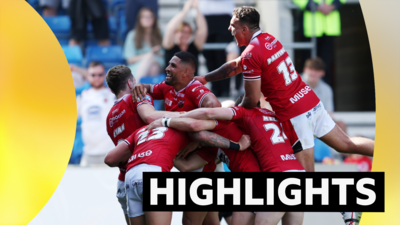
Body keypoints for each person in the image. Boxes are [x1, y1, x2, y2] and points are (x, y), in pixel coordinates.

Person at [194, 6, 374, 172]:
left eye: (232, 25)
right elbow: (236, 65)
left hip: (295, 115)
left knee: (305, 176)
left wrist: (237, 115)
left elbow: (251, 98)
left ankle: (341, 208)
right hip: (309, 100)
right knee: (347, 144)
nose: (229, 29)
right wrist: (205, 78)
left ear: (244, 30)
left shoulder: (251, 53)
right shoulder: (269, 39)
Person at [149, 96, 305, 225]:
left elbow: (195, 125)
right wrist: (163, 154)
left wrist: (164, 121)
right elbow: (185, 166)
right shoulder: (214, 145)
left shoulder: (227, 125)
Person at [132, 51, 221, 225]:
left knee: (189, 221)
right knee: (210, 221)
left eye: (173, 65)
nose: (167, 68)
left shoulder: (195, 89)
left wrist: (198, 140)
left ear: (186, 73)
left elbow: (215, 107)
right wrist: (139, 85)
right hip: (190, 161)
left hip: (202, 163)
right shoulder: (168, 86)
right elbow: (149, 89)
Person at [104, 125, 251, 225]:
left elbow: (109, 159)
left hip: (131, 174)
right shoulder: (190, 130)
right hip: (161, 175)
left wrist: (157, 149)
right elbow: (187, 164)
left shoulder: (145, 129)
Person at [293, 0, 346, 86]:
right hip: (310, 27)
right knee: (308, 67)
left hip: (329, 28)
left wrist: (333, 5)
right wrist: (314, 5)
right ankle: (304, 96)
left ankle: (323, 98)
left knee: (326, 68)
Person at [77, 61, 115, 166]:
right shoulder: (83, 96)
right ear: (87, 76)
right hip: (88, 154)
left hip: (109, 153)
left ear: (105, 75)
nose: (97, 77)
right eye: (93, 75)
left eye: (100, 74)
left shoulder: (113, 95)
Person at [199, 0, 236, 97]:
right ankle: (216, 89)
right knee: (209, 56)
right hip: (204, 17)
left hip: (224, 17)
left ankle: (225, 90)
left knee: (222, 56)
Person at [163, 0, 208, 76]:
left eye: (187, 32)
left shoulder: (193, 47)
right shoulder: (170, 46)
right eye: (181, 31)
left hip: (191, 85)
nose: (184, 35)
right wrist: (184, 11)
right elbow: (170, 28)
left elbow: (202, 30)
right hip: (173, 85)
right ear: (175, 33)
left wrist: (196, 9)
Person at [123, 7, 164, 80]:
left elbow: (166, 53)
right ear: (139, 19)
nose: (147, 18)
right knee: (153, 68)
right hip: (138, 65)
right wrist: (150, 53)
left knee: (152, 60)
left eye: (150, 16)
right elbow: (130, 59)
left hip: (158, 61)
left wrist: (155, 53)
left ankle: (135, 86)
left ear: (154, 19)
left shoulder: (161, 33)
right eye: (144, 16)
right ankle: (148, 90)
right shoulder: (132, 35)